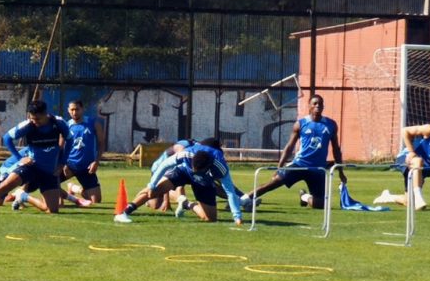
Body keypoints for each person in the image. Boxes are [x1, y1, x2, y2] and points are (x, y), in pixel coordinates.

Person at [242, 94, 346, 211]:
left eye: (320, 104)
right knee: (273, 183)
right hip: (299, 165)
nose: (318, 106)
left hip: (317, 169)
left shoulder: (331, 124)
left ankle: (304, 197)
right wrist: (279, 167)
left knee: (321, 204)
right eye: (315, 103)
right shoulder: (300, 124)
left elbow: (336, 149)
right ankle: (244, 199)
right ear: (309, 106)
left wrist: (341, 172)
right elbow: (289, 147)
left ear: (323, 106)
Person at [0, 101, 68, 215]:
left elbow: (70, 140)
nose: (34, 122)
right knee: (5, 186)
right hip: (31, 166)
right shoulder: (28, 125)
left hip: (49, 171)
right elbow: (7, 138)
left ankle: (23, 196)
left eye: (37, 119)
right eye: (32, 118)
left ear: (45, 114)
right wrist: (20, 158)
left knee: (52, 210)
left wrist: (62, 163)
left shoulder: (58, 122)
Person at [115, 140, 244, 224]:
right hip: (183, 171)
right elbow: (164, 165)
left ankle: (186, 204)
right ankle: (123, 213)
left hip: (204, 182)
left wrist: (237, 216)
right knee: (154, 191)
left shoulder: (220, 167)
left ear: (208, 167)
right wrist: (152, 184)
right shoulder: (187, 154)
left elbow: (230, 192)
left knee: (210, 218)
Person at [60, 99, 105, 206]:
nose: (74, 112)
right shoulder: (65, 126)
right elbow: (60, 147)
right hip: (69, 165)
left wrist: (96, 162)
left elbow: (101, 143)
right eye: (72, 110)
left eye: (77, 109)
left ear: (82, 109)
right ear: (68, 110)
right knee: (50, 182)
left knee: (96, 201)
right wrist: (63, 163)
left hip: (86, 167)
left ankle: (74, 188)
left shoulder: (93, 123)